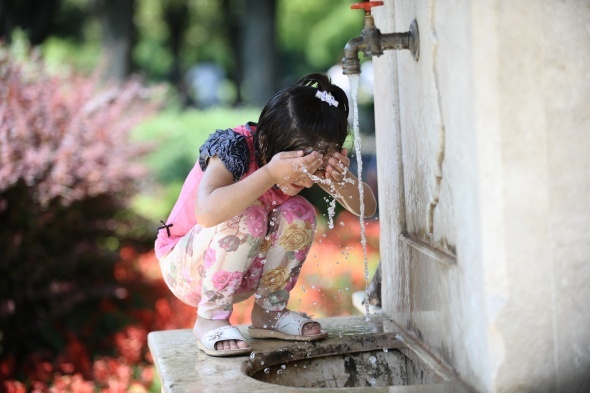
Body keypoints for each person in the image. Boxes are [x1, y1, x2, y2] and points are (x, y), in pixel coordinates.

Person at [155, 73, 377, 357]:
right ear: (266, 143)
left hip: (242, 274)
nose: (308, 182)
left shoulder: (304, 152)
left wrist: (335, 178)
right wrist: (270, 172)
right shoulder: (234, 148)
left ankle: (270, 313)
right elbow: (207, 214)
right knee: (249, 216)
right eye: (303, 170)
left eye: (315, 172)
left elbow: (366, 208)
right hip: (186, 268)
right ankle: (210, 318)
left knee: (300, 211)